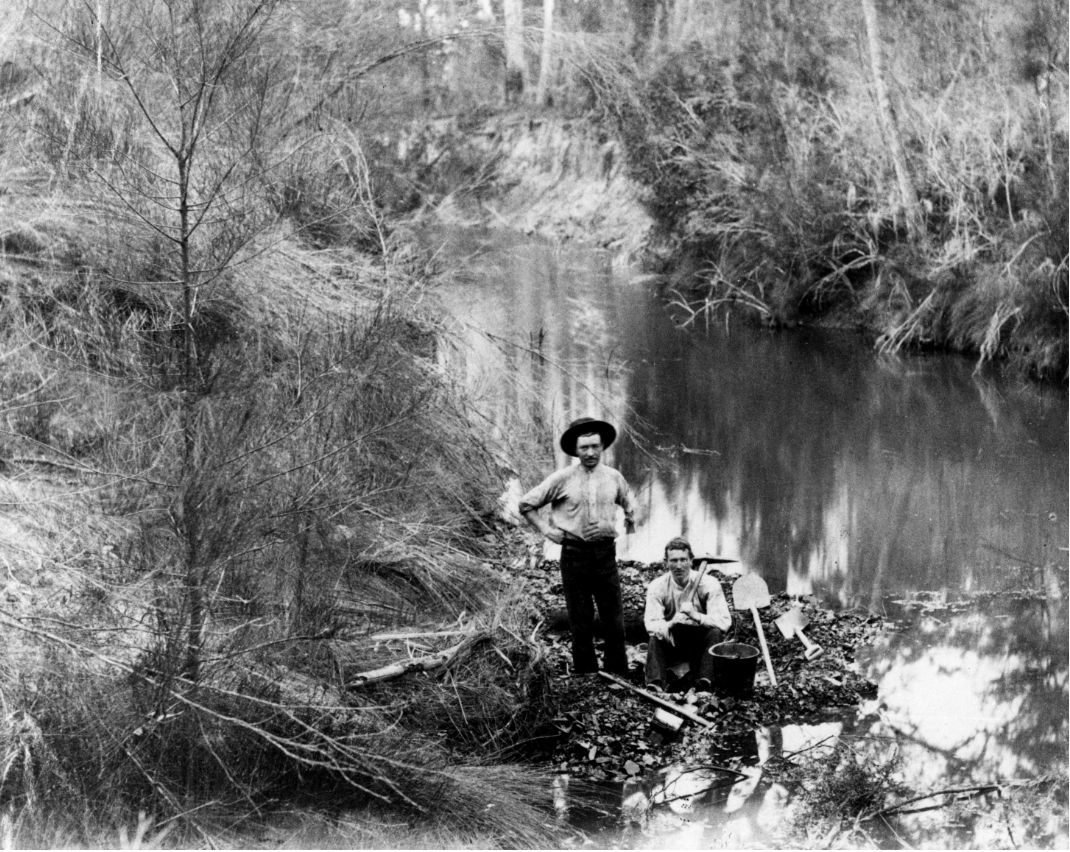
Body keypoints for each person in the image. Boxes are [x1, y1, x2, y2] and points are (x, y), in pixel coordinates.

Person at [519, 417, 636, 676]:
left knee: (614, 620)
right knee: (580, 621)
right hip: (574, 556)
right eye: (584, 448)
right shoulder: (562, 478)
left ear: (603, 446)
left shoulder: (614, 477)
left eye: (595, 446)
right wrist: (547, 531)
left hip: (606, 556)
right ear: (576, 449)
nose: (590, 453)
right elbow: (526, 504)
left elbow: (631, 507)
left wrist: (615, 527)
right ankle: (586, 675)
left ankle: (617, 673)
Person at [644, 536, 732, 692]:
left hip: (699, 643)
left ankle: (706, 683)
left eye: (683, 560)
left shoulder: (708, 583)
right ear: (666, 562)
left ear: (692, 560)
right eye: (673, 560)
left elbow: (724, 622)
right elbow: (651, 624)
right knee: (654, 638)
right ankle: (656, 684)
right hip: (673, 642)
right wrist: (671, 623)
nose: (679, 566)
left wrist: (696, 616)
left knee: (715, 633)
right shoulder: (657, 586)